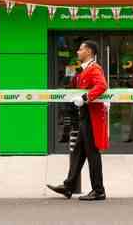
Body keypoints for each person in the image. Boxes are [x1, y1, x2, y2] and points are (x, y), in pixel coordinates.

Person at [47, 40, 109, 201]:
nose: (77, 52)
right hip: (84, 115)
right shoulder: (84, 69)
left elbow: (102, 86)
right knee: (78, 153)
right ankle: (69, 186)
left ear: (89, 52)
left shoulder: (95, 68)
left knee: (92, 153)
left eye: (80, 49)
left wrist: (85, 97)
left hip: (90, 116)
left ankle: (98, 190)